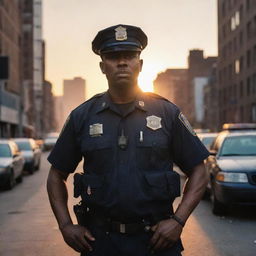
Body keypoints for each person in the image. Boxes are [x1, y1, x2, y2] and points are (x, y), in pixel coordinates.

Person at [47, 24, 209, 256]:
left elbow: (199, 171)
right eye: (113, 56)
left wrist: (178, 221)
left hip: (157, 242)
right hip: (100, 243)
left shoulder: (166, 114)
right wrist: (65, 225)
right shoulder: (82, 116)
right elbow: (56, 175)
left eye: (130, 56)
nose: (122, 62)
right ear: (102, 66)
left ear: (140, 64)